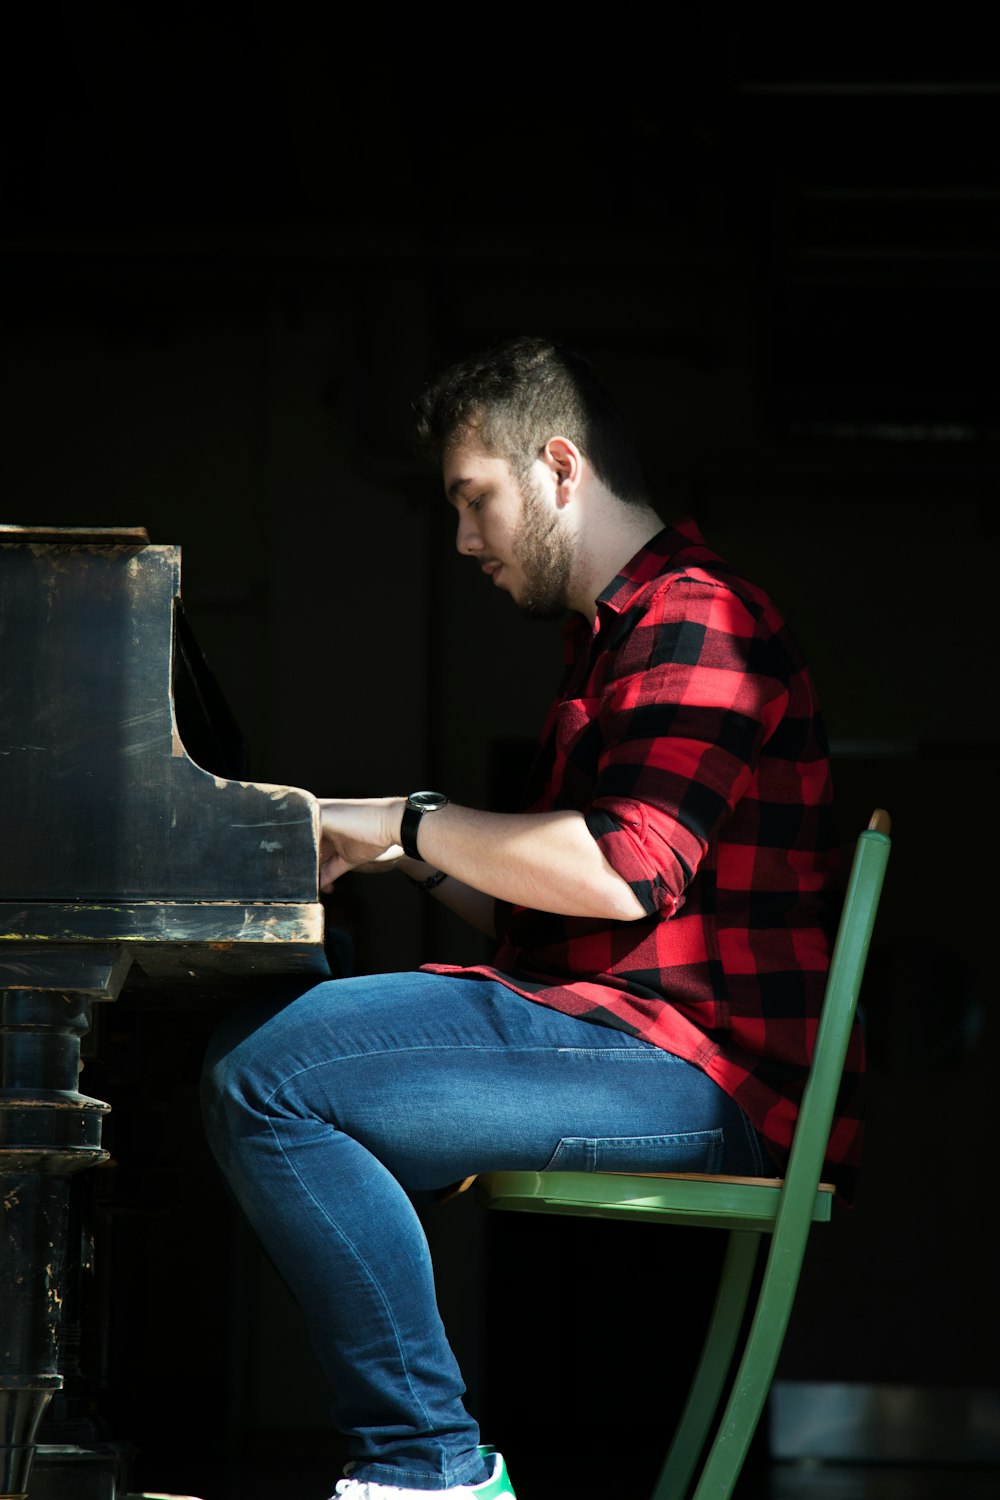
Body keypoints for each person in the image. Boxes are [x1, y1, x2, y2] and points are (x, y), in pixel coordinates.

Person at [201, 337, 861, 1500]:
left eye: (474, 499)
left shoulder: (698, 616)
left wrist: (405, 821)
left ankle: (426, 1472)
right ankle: (423, 1463)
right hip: (631, 1037)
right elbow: (559, 922)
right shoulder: (613, 640)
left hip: (701, 1074)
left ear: (560, 466)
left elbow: (620, 872)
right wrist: (401, 857)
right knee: (286, 1053)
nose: (462, 539)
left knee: (273, 1076)